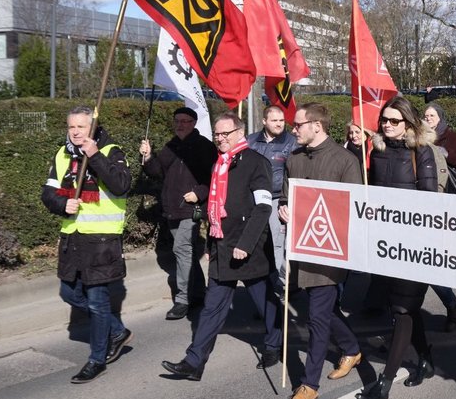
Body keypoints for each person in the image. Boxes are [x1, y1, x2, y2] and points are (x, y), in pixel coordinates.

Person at [161, 113, 283, 381]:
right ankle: (194, 361)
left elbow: (262, 208)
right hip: (222, 247)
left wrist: (246, 244)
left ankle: (275, 343)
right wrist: (212, 241)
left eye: (225, 133)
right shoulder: (220, 164)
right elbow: (218, 206)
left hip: (248, 247)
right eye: (217, 134)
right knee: (212, 306)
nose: (220, 139)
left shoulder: (255, 162)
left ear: (240, 133)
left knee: (264, 301)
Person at [279, 103, 366, 399]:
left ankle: (309, 384)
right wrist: (283, 208)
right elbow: (285, 197)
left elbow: (356, 206)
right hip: (302, 248)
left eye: (298, 124)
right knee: (320, 309)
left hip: (330, 251)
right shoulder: (294, 159)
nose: (293, 129)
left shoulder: (344, 160)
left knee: (316, 317)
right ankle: (352, 348)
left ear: (316, 125)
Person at [356, 96, 439, 399]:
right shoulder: (374, 152)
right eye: (384, 121)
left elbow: (431, 203)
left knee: (403, 311)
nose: (386, 126)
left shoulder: (422, 152)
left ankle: (383, 385)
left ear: (408, 123)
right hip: (384, 243)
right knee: (402, 307)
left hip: (415, 244)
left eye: (394, 121)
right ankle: (426, 360)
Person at [40, 106, 133, 384]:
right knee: (68, 293)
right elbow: (48, 193)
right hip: (73, 236)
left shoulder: (111, 151)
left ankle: (97, 359)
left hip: (102, 240)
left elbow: (121, 185)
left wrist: (94, 156)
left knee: (97, 301)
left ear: (93, 127)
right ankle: (116, 331)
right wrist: (61, 203)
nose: (76, 132)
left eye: (82, 127)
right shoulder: (62, 154)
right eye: (72, 127)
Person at [141, 107, 215, 320]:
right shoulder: (171, 145)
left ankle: (183, 300)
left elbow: (213, 179)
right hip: (172, 207)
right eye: (177, 121)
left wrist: (198, 193)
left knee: (182, 249)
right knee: (187, 252)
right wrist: (148, 157)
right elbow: (157, 171)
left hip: (191, 208)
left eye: (185, 121)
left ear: (193, 123)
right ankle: (199, 293)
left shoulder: (204, 147)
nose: (180, 125)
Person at [423, 102, 456, 330]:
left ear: (440, 117)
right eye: (425, 115)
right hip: (421, 205)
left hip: (444, 203)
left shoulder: (449, 136)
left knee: (429, 267)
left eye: (431, 115)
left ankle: (452, 305)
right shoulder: (418, 138)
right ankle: (402, 328)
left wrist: (445, 155)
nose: (428, 118)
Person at [247, 106, 298, 293]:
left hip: (278, 199)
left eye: (281, 120)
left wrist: (287, 201)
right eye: (274, 120)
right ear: (264, 121)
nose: (279, 124)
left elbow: (294, 173)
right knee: (259, 242)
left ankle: (278, 289)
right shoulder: (251, 141)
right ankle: (276, 282)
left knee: (278, 243)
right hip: (254, 199)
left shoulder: (292, 143)